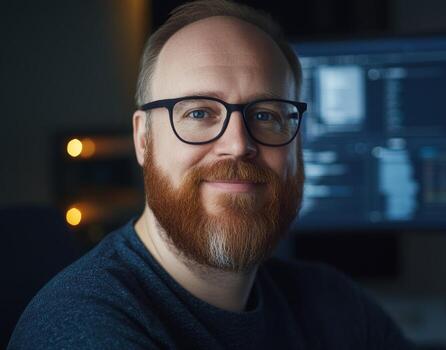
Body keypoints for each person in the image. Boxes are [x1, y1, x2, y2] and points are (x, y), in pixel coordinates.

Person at [9, 1, 415, 348]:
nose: (238, 144)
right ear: (142, 138)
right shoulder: (87, 327)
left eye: (266, 115)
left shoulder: (330, 303)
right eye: (199, 113)